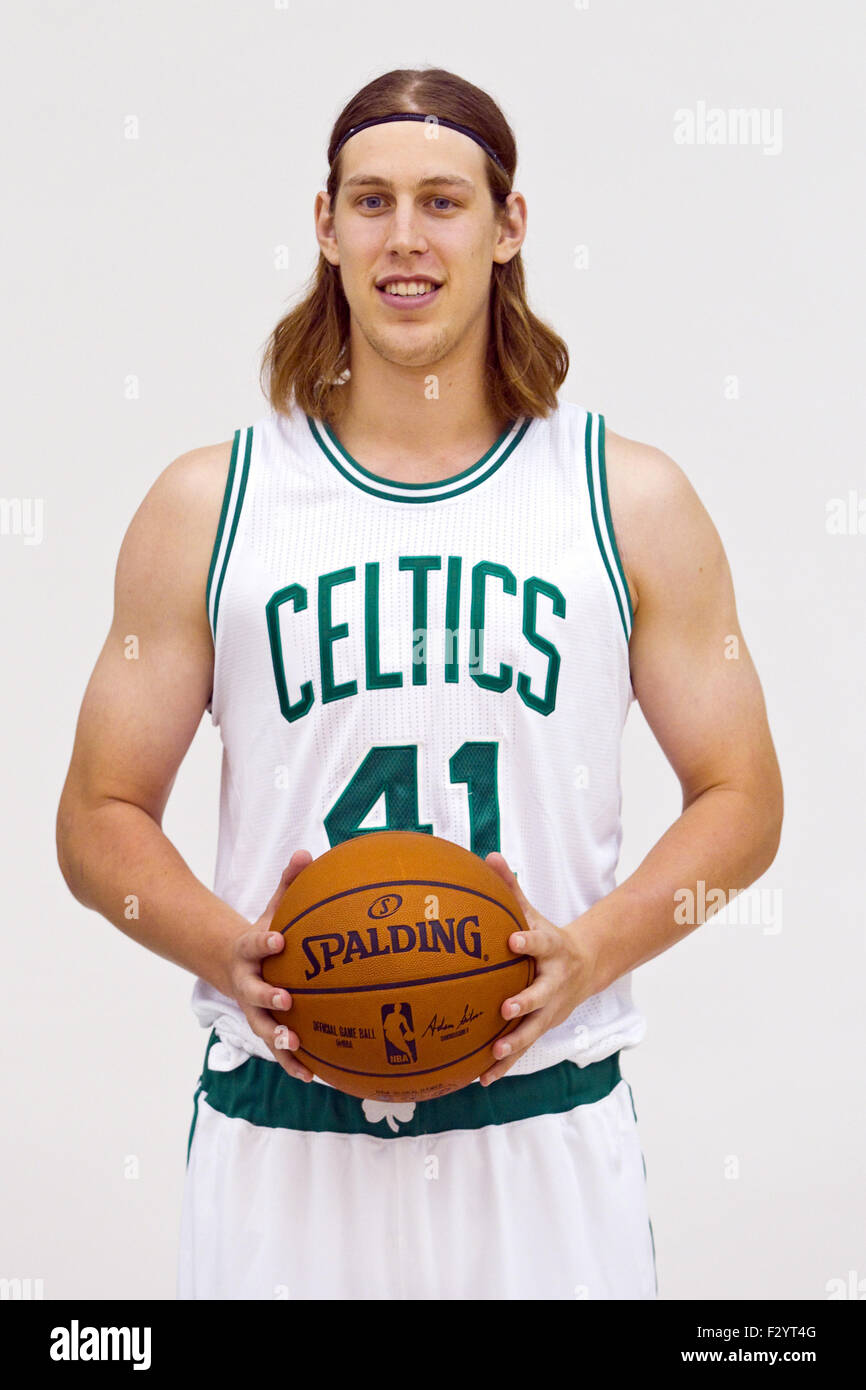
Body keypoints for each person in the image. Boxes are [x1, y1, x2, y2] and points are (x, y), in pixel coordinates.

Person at [56, 66, 783, 1300]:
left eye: (443, 203)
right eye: (372, 201)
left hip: (539, 1123)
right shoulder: (209, 504)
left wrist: (591, 950)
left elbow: (743, 798)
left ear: (507, 229)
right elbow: (93, 819)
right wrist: (229, 948)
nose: (405, 238)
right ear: (325, 226)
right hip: (284, 1129)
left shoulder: (624, 499)